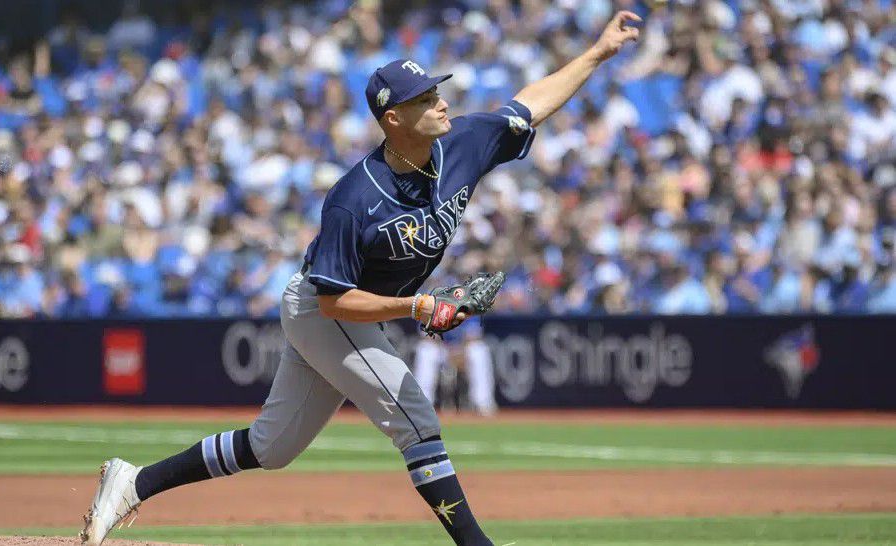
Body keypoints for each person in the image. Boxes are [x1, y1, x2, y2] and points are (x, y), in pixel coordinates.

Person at [80, 11, 641, 546]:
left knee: (270, 448)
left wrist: (597, 52)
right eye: (424, 99)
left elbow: (529, 106)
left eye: (436, 91)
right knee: (417, 422)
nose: (441, 103)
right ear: (393, 119)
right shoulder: (353, 200)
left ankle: (134, 482)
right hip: (325, 307)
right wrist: (419, 307)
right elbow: (334, 303)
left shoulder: (462, 144)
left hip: (352, 311)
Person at [414, 319, 497, 416]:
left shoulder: (469, 306)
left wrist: (460, 353)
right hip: (441, 348)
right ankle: (424, 403)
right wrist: (449, 352)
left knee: (479, 351)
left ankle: (483, 403)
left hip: (464, 349)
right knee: (426, 350)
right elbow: (426, 335)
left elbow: (474, 336)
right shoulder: (434, 304)